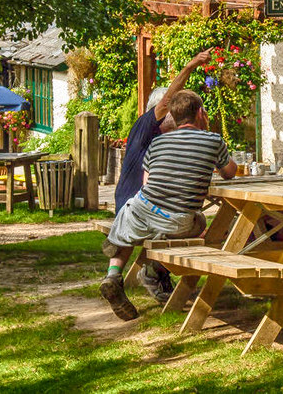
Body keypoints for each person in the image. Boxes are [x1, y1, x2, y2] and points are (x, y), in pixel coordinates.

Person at [100, 90, 237, 320]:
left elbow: (147, 182)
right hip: (177, 221)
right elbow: (230, 173)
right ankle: (154, 270)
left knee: (129, 221)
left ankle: (113, 275)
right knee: (200, 220)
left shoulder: (157, 142)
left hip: (142, 209)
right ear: (201, 113)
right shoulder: (213, 140)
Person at [112, 48, 213, 215]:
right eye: (174, 109)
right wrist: (191, 66)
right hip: (132, 209)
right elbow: (167, 101)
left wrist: (202, 125)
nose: (179, 112)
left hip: (154, 210)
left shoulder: (173, 137)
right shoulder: (144, 126)